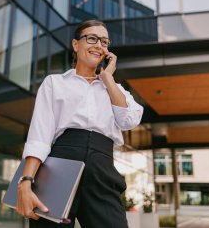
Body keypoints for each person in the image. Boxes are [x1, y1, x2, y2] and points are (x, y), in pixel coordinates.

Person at [16, 19, 143, 228]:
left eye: (104, 41)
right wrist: (26, 182)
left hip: (101, 171)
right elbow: (39, 136)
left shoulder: (115, 89)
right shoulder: (54, 83)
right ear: (76, 45)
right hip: (57, 169)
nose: (99, 45)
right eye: (92, 38)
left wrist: (108, 78)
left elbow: (129, 119)